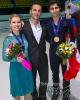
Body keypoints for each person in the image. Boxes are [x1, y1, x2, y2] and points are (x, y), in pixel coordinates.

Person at [46, 1, 75, 100]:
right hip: (53, 51)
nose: (54, 10)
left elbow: (72, 36)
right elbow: (45, 35)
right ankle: (56, 91)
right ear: (49, 10)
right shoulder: (47, 22)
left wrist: (70, 46)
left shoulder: (66, 21)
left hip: (64, 51)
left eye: (56, 8)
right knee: (54, 73)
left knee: (65, 72)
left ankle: (66, 92)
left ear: (59, 9)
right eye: (52, 8)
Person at [2, 14, 34, 100]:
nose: (16, 24)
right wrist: (15, 59)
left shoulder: (23, 36)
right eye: (14, 22)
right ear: (10, 24)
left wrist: (25, 54)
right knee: (18, 92)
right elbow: (4, 58)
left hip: (26, 65)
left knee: (27, 91)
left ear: (21, 23)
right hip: (16, 68)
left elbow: (26, 49)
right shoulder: (8, 39)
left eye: (18, 22)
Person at [22, 3, 49, 100]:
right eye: (34, 10)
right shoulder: (23, 26)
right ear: (30, 11)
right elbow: (16, 38)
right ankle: (34, 97)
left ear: (41, 12)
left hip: (43, 59)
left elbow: (51, 38)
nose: (36, 12)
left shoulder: (44, 25)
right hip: (30, 59)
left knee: (44, 80)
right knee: (32, 81)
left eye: (39, 10)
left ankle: (42, 96)